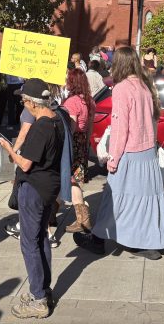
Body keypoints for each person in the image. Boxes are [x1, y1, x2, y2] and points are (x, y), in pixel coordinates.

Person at [75, 46, 164, 260]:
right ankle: (147, 243)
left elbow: (120, 128)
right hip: (147, 152)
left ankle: (99, 240)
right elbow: (153, 121)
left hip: (130, 152)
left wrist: (113, 158)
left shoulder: (121, 89)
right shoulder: (144, 86)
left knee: (115, 199)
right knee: (143, 201)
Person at [0, 79, 65, 319]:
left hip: (35, 188)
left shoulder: (41, 127)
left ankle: (38, 298)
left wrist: (9, 149)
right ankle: (43, 290)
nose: (23, 104)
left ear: (32, 103)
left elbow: (25, 163)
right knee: (40, 238)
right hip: (49, 186)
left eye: (24, 100)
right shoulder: (57, 121)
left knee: (29, 242)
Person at [63, 68, 96, 234]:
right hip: (83, 142)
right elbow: (90, 127)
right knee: (74, 179)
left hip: (73, 141)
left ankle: (83, 220)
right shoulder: (90, 101)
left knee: (72, 180)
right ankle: (82, 219)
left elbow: (72, 126)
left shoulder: (72, 102)